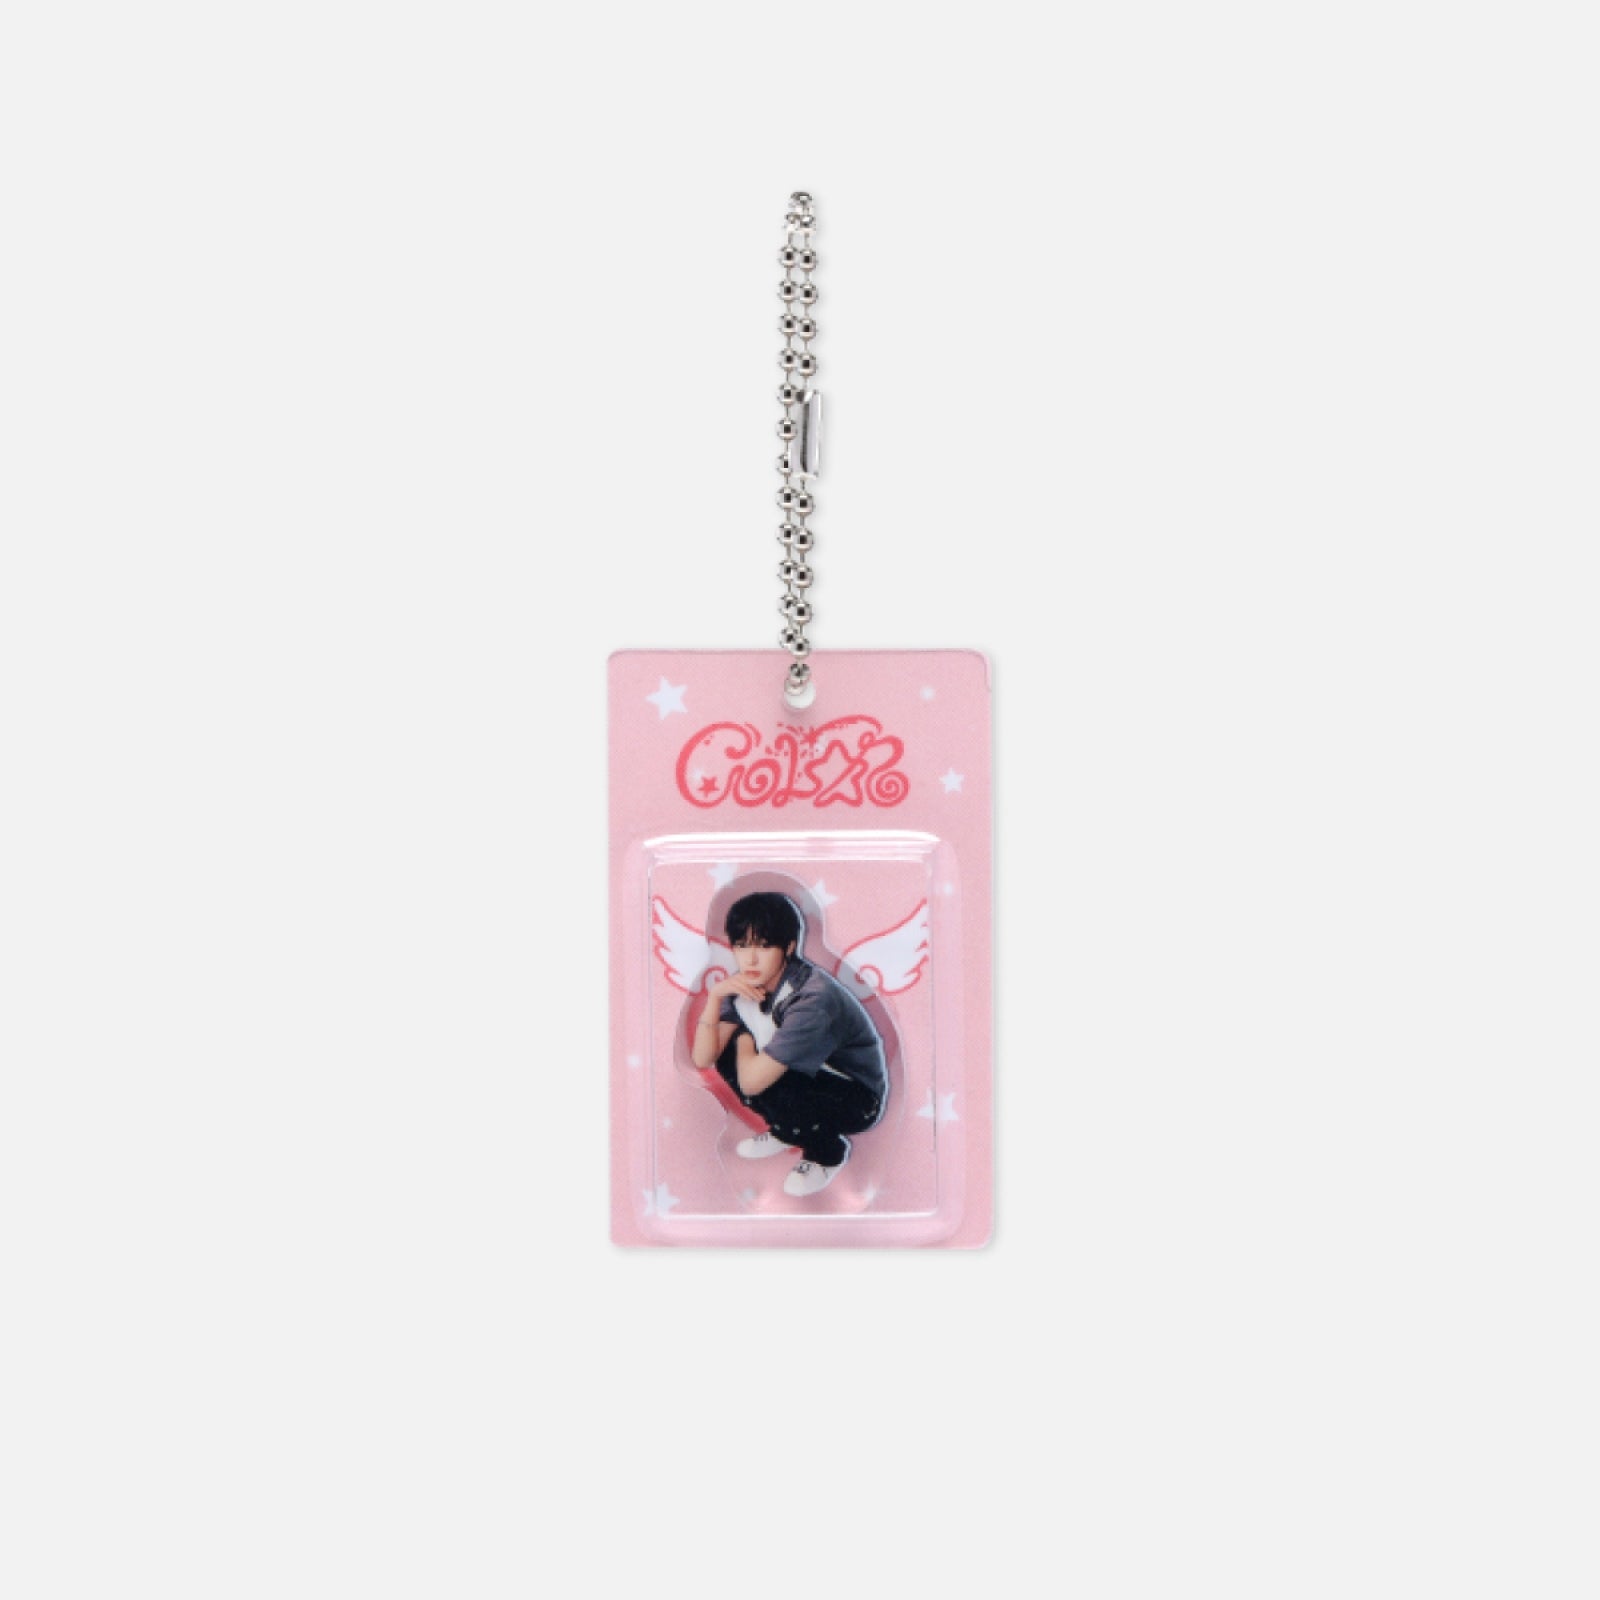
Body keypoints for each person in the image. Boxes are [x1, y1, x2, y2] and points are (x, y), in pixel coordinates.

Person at [691, 891, 888, 1197]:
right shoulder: (743, 984)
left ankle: (827, 1152)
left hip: (856, 1098)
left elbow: (753, 1083)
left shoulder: (812, 997)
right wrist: (716, 998)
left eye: (764, 946)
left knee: (759, 1070)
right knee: (730, 1054)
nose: (750, 959)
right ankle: (786, 1130)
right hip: (806, 1076)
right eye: (742, 945)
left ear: (789, 947)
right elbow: (703, 1058)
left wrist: (744, 1038)